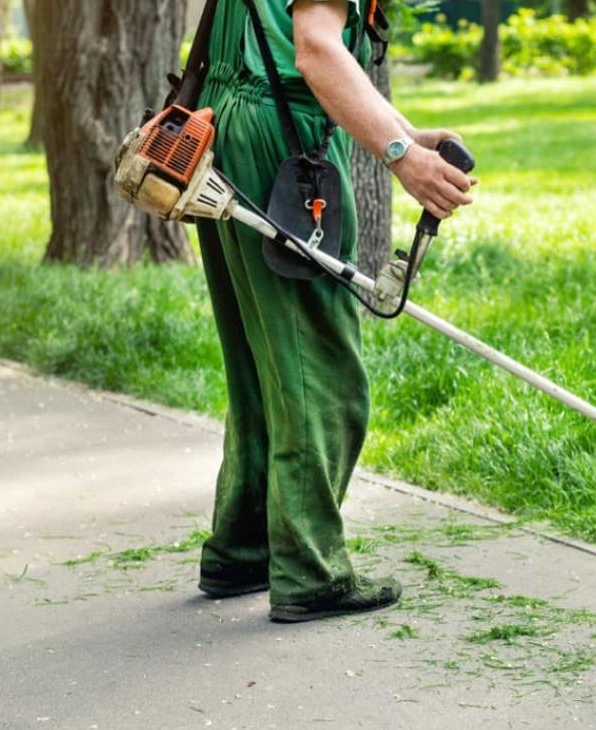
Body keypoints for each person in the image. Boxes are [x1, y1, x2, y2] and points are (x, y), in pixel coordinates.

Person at [192, 0, 474, 622]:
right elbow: (316, 50)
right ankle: (309, 571)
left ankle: (244, 549)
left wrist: (404, 131)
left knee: (262, 366)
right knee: (319, 372)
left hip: (224, 131)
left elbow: (282, 46)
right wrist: (402, 156)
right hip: (283, 146)